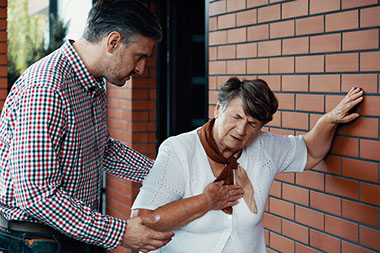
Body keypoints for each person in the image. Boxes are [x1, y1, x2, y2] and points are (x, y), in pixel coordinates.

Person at [0, 0, 179, 252]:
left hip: (74, 233)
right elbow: (36, 196)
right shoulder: (47, 88)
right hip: (36, 240)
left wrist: (168, 174)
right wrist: (121, 232)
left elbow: (101, 149)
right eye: (139, 57)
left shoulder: (92, 84)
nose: (141, 68)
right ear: (113, 42)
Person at [131, 77, 364, 252]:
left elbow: (311, 151)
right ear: (218, 109)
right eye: (236, 117)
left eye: (253, 124)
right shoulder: (179, 150)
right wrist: (206, 201)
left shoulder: (265, 147)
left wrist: (329, 120)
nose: (242, 130)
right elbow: (143, 220)